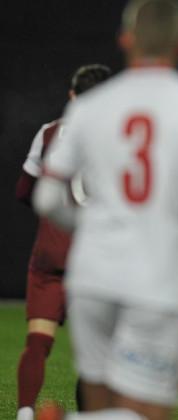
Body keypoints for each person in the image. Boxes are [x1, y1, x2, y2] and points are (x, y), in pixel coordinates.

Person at [33, 1, 178, 419]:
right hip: (157, 277)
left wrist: (87, 229)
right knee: (149, 412)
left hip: (92, 276)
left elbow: (47, 198)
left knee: (100, 399)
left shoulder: (90, 106)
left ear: (125, 39)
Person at [15, 63, 112, 420]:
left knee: (38, 342)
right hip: (96, 258)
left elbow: (24, 190)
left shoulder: (50, 132)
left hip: (51, 253)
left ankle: (25, 413)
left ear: (73, 95)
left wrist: (53, 219)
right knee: (100, 353)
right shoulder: (119, 136)